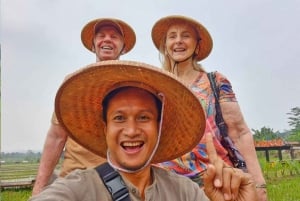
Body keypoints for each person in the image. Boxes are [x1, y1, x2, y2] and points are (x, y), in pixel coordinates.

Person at [29, 60, 258, 201]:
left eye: (144, 117)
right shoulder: (78, 189)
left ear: (159, 127)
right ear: (105, 127)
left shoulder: (184, 192)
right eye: (119, 118)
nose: (131, 130)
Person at [151, 15, 267, 201]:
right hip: (166, 184)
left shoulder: (215, 82)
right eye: (172, 36)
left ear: (197, 45)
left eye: (185, 35)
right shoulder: (155, 85)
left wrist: (258, 183)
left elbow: (240, 132)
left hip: (216, 181)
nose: (178, 41)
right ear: (165, 45)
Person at [32, 18, 136, 195]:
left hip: (119, 184)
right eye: (101, 36)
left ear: (123, 47)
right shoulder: (73, 84)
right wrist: (39, 188)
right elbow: (56, 137)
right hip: (74, 178)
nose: (107, 40)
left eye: (114, 36)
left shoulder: (133, 87)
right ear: (93, 45)